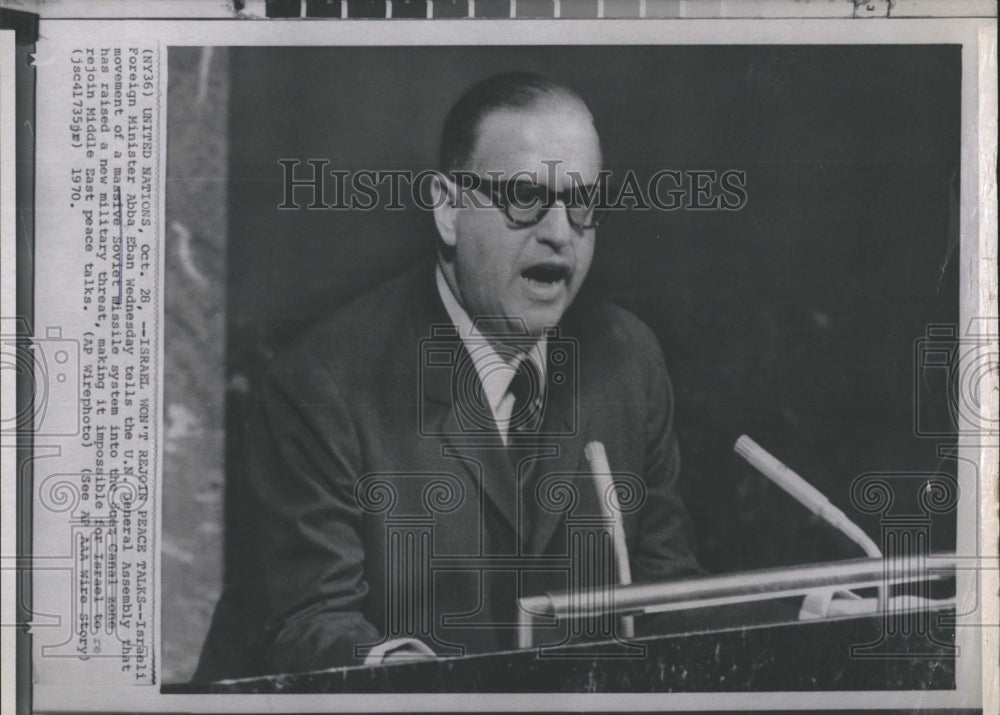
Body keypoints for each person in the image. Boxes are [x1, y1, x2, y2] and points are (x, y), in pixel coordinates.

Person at [193, 72, 702, 682]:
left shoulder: (629, 361)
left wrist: (806, 614)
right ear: (449, 209)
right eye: (523, 196)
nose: (561, 232)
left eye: (583, 201)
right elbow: (310, 627)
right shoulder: (320, 386)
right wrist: (419, 682)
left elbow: (668, 597)